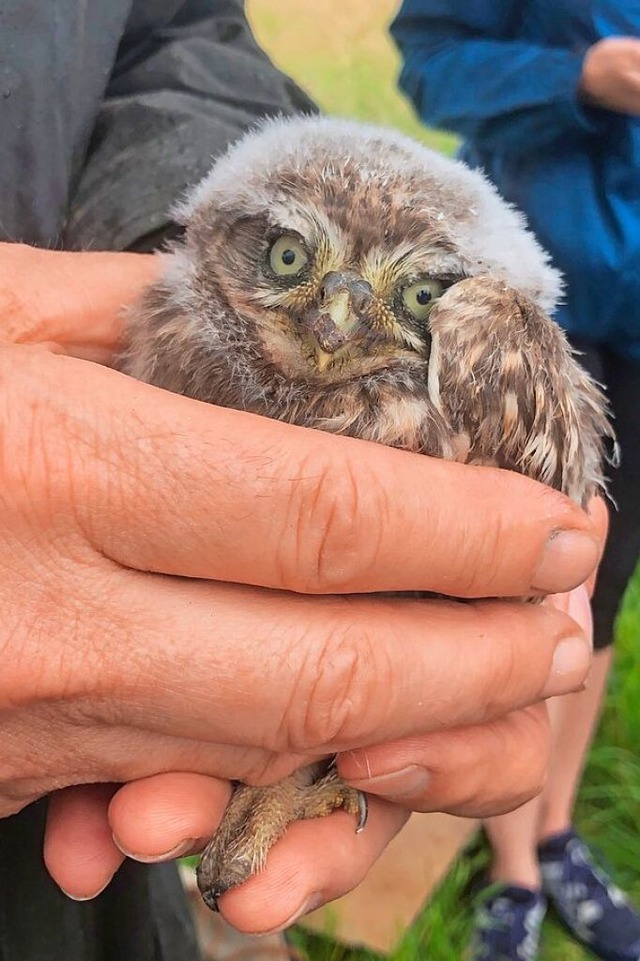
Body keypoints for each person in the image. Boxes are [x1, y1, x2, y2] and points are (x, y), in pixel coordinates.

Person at [1, 2, 603, 960]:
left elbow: (170, 36)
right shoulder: (183, 318)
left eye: (413, 297)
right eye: (289, 260)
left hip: (90, 861)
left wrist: (154, 226)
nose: (335, 324)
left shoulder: (481, 349)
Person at [391, 3, 640, 959]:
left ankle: (553, 827)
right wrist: (577, 81)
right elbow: (431, 65)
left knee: (600, 589)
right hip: (534, 310)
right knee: (517, 578)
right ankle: (514, 874)